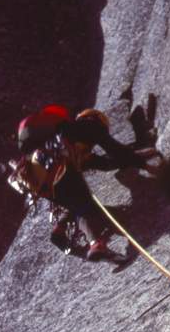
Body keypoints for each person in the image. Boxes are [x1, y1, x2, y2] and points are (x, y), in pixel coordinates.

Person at [9, 105, 161, 260]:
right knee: (86, 206)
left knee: (80, 207)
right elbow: (116, 150)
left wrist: (137, 156)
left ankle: (64, 230)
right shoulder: (89, 127)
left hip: (37, 179)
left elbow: (107, 163)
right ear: (97, 121)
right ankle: (96, 244)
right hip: (54, 163)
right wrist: (146, 166)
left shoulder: (70, 145)